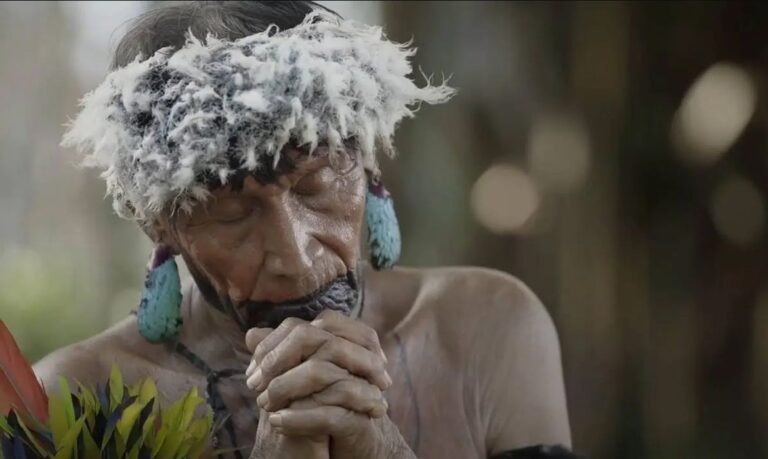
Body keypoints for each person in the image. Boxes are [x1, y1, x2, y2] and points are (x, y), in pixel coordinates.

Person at [33, 1, 575, 458]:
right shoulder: (74, 400)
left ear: (368, 161)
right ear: (161, 227)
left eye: (316, 188)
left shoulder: (487, 328)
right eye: (233, 215)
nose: (293, 255)